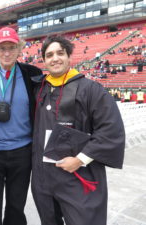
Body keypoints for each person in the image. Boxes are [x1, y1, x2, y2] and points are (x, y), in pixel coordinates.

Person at [31, 36, 125, 225]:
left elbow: (111, 131)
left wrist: (80, 159)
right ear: (44, 60)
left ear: (69, 56)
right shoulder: (39, 89)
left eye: (60, 53)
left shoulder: (91, 90)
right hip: (44, 178)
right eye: (49, 55)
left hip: (77, 175)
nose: (55, 58)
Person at [0, 27, 46, 225]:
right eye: (2, 48)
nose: (6, 53)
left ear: (19, 48)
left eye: (11, 47)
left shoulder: (33, 74)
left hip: (22, 152)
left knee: (16, 205)